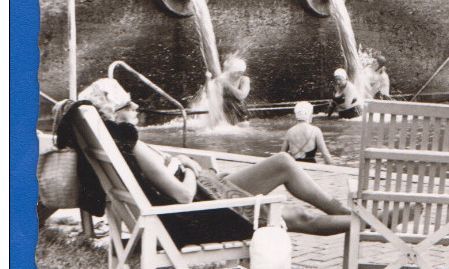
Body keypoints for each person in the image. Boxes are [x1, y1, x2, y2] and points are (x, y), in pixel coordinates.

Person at [76, 78, 350, 238]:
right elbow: (183, 196)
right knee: (298, 215)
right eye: (127, 104)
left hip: (206, 199)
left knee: (283, 162)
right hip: (201, 212)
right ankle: (365, 222)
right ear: (112, 115)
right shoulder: (131, 145)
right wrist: (191, 167)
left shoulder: (118, 144)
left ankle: (356, 216)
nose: (136, 106)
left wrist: (186, 164)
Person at [216, 56, 250, 124]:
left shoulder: (244, 79)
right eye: (235, 72)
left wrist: (228, 85)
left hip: (238, 108)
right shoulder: (222, 79)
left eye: (240, 72)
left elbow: (241, 96)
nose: (237, 74)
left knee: (242, 127)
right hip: (223, 108)